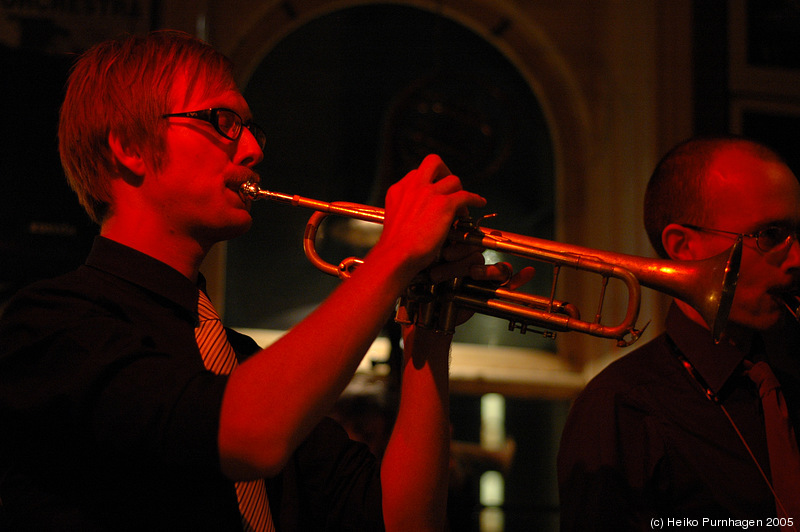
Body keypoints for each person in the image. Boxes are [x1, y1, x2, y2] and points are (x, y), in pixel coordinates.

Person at [0, 30, 529, 531]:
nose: (252, 149)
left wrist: (428, 328)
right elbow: (246, 436)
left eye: (252, 128)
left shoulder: (240, 361)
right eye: (222, 121)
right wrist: (394, 256)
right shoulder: (49, 327)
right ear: (128, 148)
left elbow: (403, 521)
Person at [557, 136, 800, 529]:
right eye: (770, 235)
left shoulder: (787, 375)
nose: (797, 258)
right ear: (684, 246)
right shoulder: (620, 406)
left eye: (796, 233)